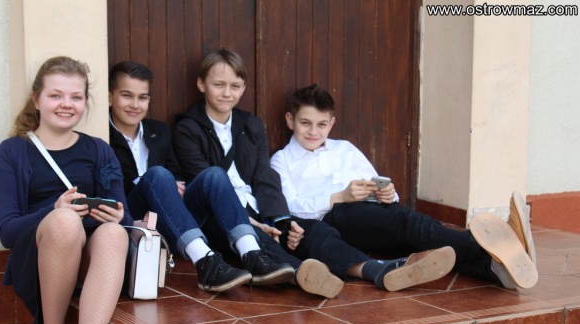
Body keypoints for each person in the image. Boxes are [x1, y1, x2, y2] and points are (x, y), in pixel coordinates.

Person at [173, 48, 457, 295]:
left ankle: (375, 269)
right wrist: (257, 223)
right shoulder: (187, 128)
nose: (227, 93)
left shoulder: (250, 124)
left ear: (244, 88)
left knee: (311, 230)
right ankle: (299, 275)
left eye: (234, 86)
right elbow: (208, 185)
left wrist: (283, 222)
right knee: (253, 228)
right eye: (219, 85)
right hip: (220, 212)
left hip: (259, 208)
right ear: (201, 84)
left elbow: (263, 178)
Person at [270, 83, 538, 290]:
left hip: (368, 213)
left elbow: (374, 182)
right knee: (405, 222)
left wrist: (387, 193)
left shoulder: (345, 149)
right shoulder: (281, 161)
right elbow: (289, 206)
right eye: (305, 123)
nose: (313, 132)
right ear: (290, 120)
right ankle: (495, 244)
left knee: (415, 231)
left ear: (332, 123)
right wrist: (339, 196)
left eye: (321, 125)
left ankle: (493, 269)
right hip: (332, 216)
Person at [0, 56, 128, 324]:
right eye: (55, 95)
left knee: (114, 232)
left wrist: (119, 217)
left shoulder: (99, 150)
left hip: (91, 259)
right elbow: (7, 232)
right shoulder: (11, 152)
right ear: (36, 100)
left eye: (76, 97)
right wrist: (53, 210)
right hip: (39, 258)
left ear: (85, 102)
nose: (66, 104)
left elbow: (124, 211)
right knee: (64, 221)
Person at [108, 60, 294, 292]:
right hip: (133, 219)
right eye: (127, 96)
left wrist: (173, 184)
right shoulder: (103, 136)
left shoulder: (159, 131)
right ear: (110, 98)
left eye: (142, 97)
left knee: (214, 174)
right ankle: (206, 261)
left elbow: (176, 173)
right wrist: (158, 183)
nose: (135, 105)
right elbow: (113, 189)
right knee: (157, 175)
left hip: (170, 218)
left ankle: (252, 253)